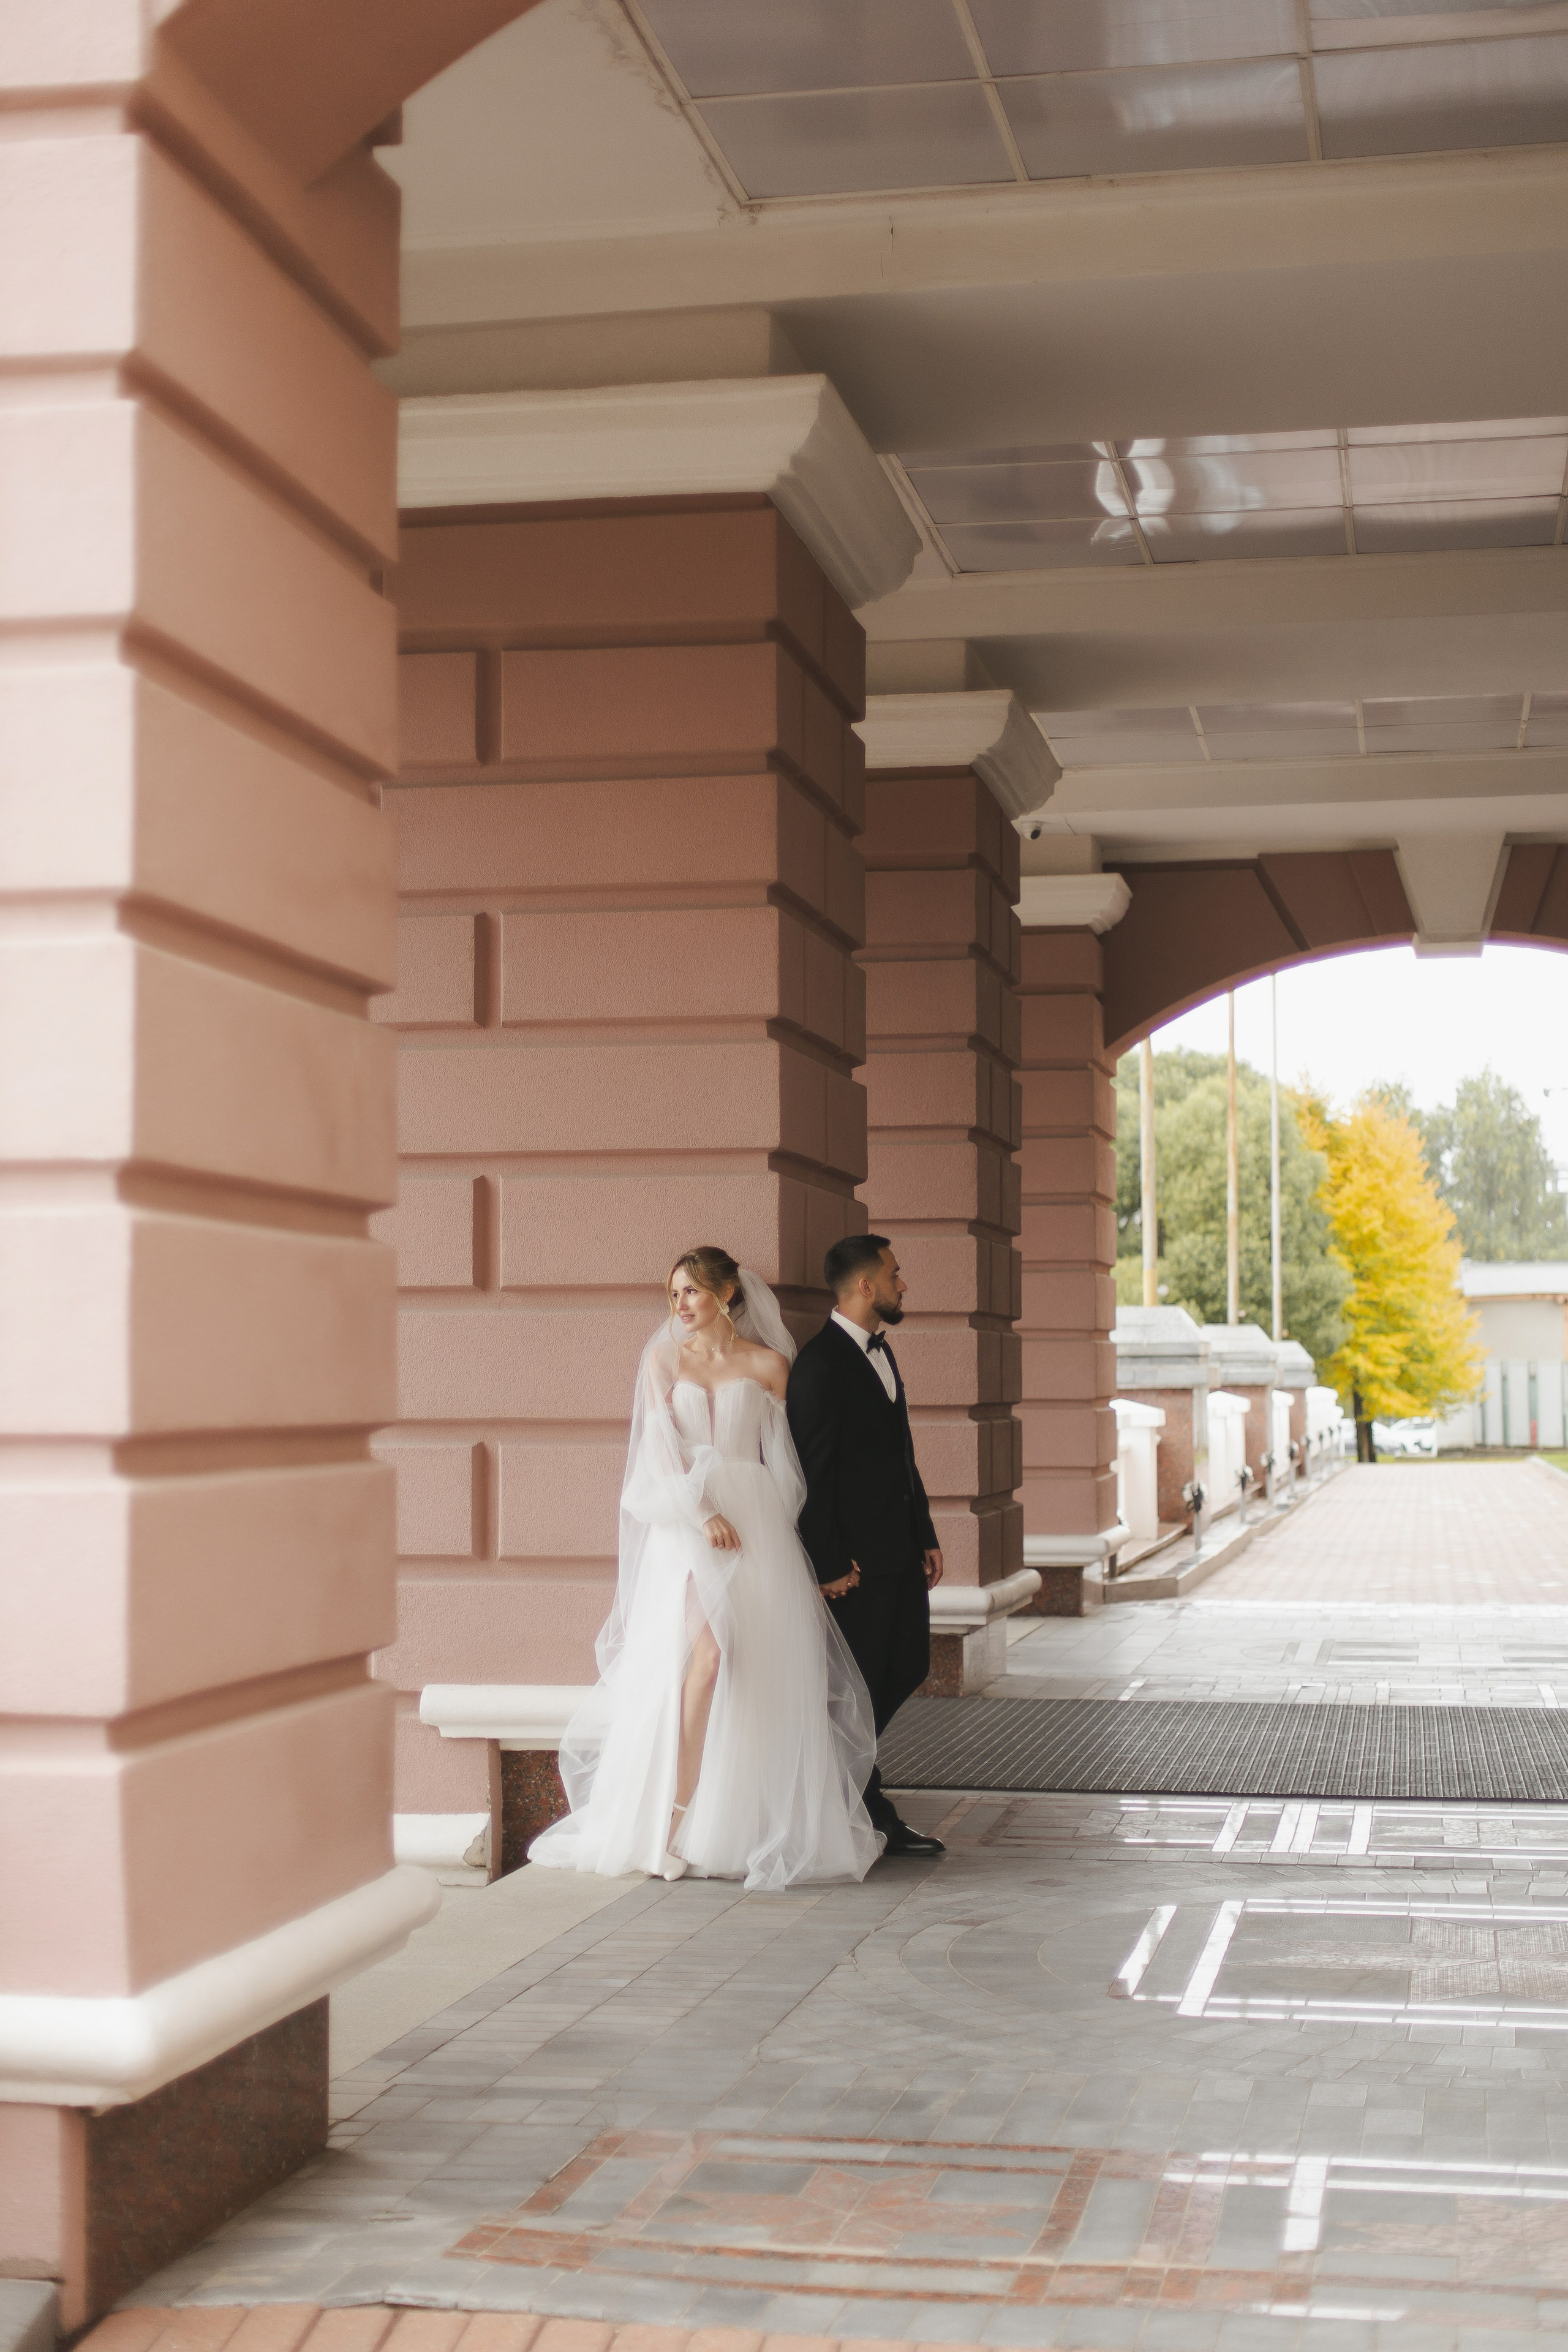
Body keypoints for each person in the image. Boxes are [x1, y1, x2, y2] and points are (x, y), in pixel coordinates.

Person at [528, 1246, 882, 1892]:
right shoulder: (662, 1360)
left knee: (759, 1670)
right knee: (707, 1661)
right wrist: (701, 1512)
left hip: (758, 1529)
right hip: (689, 1530)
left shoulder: (771, 1365)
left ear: (726, 1293)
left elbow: (791, 1466)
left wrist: (798, 1544)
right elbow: (655, 1455)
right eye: (674, 1296)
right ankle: (670, 1820)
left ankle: (746, 1822)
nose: (680, 1307)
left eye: (691, 1292)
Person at [786, 1234, 947, 1861]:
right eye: (895, 1274)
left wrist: (926, 1533)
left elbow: (901, 1456)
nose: (902, 1284)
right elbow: (811, 1473)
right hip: (853, 1568)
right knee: (855, 1687)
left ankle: (852, 1792)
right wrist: (827, 1563)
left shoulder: (883, 1353)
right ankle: (861, 1805)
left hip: (899, 1551)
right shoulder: (820, 1366)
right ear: (863, 1286)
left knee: (907, 1666)